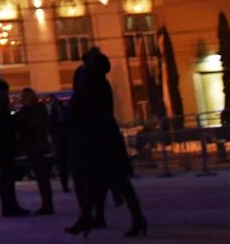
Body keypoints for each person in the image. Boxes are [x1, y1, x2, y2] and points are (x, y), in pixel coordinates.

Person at [65, 48, 146, 238]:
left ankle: (135, 219)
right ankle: (88, 219)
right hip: (105, 139)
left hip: (99, 141)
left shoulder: (93, 88)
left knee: (114, 182)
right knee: (106, 182)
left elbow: (85, 115)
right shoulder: (99, 85)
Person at [0, 79, 29, 217]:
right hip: (4, 146)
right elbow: (5, 127)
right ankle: (10, 206)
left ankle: (9, 206)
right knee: (7, 177)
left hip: (2, 146)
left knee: (6, 178)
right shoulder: (0, 107)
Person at [16, 88, 58, 215]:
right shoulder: (40, 110)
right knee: (43, 176)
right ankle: (47, 203)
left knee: (41, 176)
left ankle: (47, 204)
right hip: (40, 146)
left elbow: (26, 128)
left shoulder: (27, 112)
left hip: (34, 146)